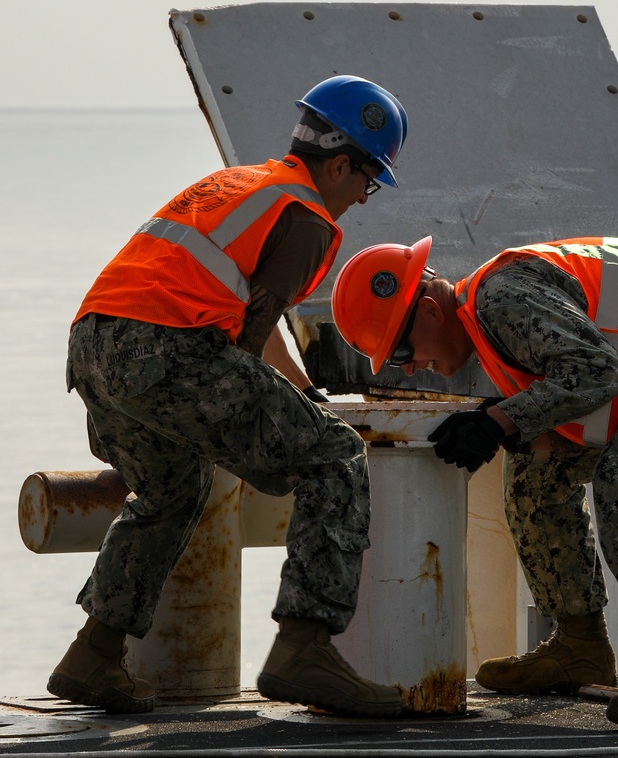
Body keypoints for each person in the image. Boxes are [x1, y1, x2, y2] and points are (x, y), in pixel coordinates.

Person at [48, 75, 408, 720]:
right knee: (334, 458)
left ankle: (94, 654)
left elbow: (234, 322)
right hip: (167, 350)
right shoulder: (308, 219)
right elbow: (248, 341)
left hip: (94, 347)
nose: (362, 197)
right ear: (340, 164)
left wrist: (294, 399)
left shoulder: (233, 184)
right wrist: (311, 413)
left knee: (171, 491)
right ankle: (305, 646)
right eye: (368, 180)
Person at [331, 233, 618, 732]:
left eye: (401, 350)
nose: (408, 366)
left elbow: (598, 372)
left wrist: (500, 422)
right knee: (537, 473)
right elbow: (577, 381)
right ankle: (580, 644)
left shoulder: (499, 299)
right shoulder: (484, 320)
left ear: (429, 311)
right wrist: (507, 419)